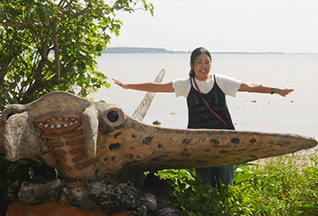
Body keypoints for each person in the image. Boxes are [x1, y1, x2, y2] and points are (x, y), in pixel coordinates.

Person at [113, 47, 294, 188]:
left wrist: (276, 90)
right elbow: (155, 87)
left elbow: (249, 86)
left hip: (225, 141)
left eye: (207, 62)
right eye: (199, 62)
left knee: (225, 184)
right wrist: (127, 86)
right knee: (204, 185)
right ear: (191, 65)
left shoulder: (220, 81)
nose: (204, 66)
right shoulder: (186, 84)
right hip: (199, 142)